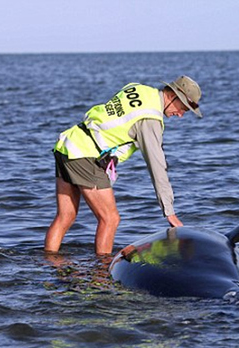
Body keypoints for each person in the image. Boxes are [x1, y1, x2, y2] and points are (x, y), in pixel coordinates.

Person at [44, 76, 202, 255]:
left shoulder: (138, 88)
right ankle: (101, 275)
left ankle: (49, 264)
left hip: (68, 144)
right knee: (110, 219)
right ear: (173, 95)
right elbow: (157, 167)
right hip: (85, 155)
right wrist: (169, 212)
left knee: (65, 216)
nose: (180, 115)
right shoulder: (151, 120)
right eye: (182, 108)